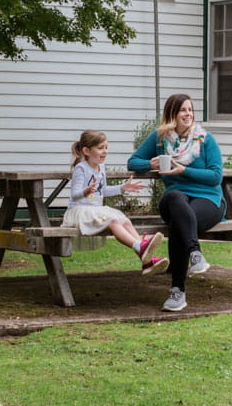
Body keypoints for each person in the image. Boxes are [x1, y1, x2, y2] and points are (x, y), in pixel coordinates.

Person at [127, 93, 223, 312]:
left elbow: (216, 176)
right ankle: (195, 254)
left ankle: (177, 291)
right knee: (173, 196)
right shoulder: (160, 139)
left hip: (208, 199)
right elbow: (133, 161)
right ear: (172, 113)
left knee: (179, 225)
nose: (188, 114)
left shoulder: (205, 139)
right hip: (176, 200)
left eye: (190, 110)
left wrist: (185, 170)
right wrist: (149, 164)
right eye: (183, 110)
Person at [65, 130, 168, 274]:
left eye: (106, 147)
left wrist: (122, 188)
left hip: (96, 210)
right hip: (80, 211)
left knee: (124, 220)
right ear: (86, 150)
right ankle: (141, 248)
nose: (105, 151)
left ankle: (146, 258)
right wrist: (86, 191)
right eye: (100, 148)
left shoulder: (101, 168)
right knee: (113, 221)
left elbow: (103, 191)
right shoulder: (81, 168)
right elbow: (74, 195)